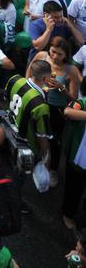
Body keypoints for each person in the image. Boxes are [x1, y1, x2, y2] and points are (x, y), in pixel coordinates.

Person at [27, 36, 80, 187]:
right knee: (34, 134)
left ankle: (53, 170)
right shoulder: (42, 56)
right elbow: (29, 72)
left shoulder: (71, 70)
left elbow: (74, 100)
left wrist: (61, 88)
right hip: (38, 102)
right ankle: (34, 161)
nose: (55, 57)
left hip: (57, 110)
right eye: (53, 52)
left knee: (54, 142)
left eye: (60, 54)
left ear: (66, 55)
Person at [5, 59, 52, 165]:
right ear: (45, 79)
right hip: (26, 148)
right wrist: (47, 161)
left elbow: (6, 99)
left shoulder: (14, 79)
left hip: (8, 132)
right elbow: (42, 137)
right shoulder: (41, 105)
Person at [62, 81, 86, 230]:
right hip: (79, 157)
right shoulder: (82, 102)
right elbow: (68, 112)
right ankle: (68, 214)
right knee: (74, 188)